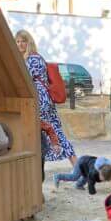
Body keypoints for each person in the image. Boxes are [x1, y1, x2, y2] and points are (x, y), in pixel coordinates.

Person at [15, 30, 77, 168]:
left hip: (40, 99)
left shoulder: (32, 59)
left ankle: (37, 165)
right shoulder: (34, 57)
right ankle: (77, 167)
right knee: (54, 131)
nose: (20, 44)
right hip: (43, 98)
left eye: (23, 41)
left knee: (46, 131)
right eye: (17, 41)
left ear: (28, 42)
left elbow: (24, 79)